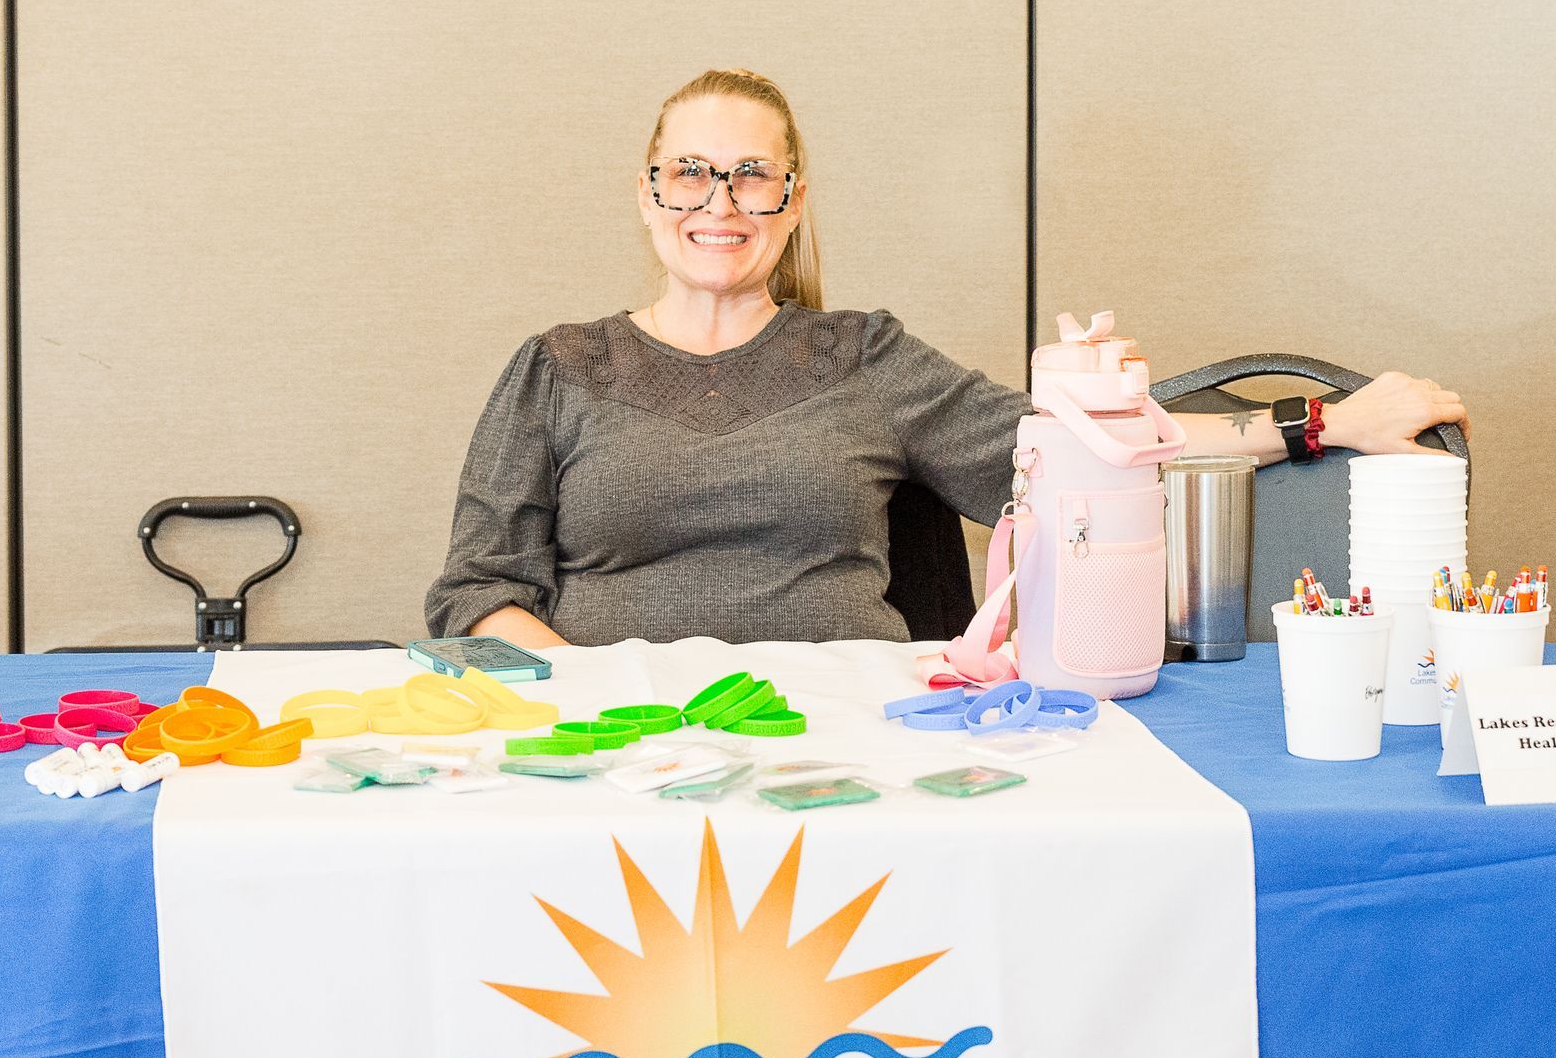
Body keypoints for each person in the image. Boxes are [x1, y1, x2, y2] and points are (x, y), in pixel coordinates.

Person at [424, 69, 1469, 649]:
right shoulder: (557, 370)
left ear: (793, 202)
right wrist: (602, 705)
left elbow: (1086, 447)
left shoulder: (862, 357)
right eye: (691, 173)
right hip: (615, 757)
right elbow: (476, 593)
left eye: (753, 176)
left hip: (847, 752)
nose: (721, 203)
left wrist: (1324, 422)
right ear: (648, 192)